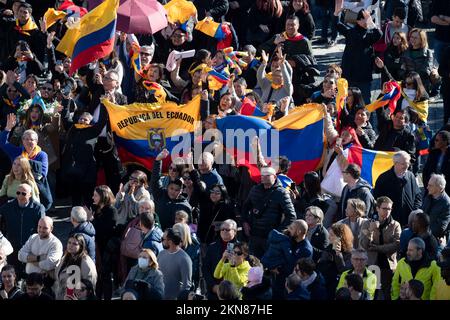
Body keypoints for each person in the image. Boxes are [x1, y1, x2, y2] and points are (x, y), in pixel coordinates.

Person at [242, 165, 297, 258]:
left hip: (270, 237)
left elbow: (291, 216)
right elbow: (245, 207)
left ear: (274, 177)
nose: (264, 177)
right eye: (262, 175)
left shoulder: (282, 192)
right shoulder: (255, 189)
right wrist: (244, 222)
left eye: (267, 175)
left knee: (267, 267)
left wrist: (277, 232)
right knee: (252, 264)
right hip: (254, 234)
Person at [336, 9, 382, 103]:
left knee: (365, 103)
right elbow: (338, 25)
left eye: (368, 19)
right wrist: (336, 13)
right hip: (349, 74)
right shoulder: (351, 32)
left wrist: (371, 24)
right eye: (364, 19)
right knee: (346, 102)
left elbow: (379, 34)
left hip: (364, 76)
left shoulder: (370, 34)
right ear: (357, 21)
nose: (366, 21)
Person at [359, 196, 401, 300]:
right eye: (384, 208)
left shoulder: (395, 225)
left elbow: (396, 245)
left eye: (389, 209)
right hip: (372, 265)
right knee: (370, 294)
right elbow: (365, 245)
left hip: (388, 265)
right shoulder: (367, 223)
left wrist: (378, 248)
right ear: (377, 208)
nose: (387, 211)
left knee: (388, 294)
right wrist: (371, 231)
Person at [0, 183, 45, 273]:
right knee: (12, 274)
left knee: (29, 274)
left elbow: (42, 228)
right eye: (18, 193)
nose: (20, 196)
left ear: (30, 195)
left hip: (29, 247)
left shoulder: (38, 209)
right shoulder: (7, 207)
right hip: (12, 245)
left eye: (23, 193)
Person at [373, 151, 422, 227]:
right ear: (395, 163)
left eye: (408, 163)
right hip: (390, 222)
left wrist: (414, 211)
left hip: (408, 222)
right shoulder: (383, 178)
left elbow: (418, 195)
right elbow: (376, 199)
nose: (406, 166)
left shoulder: (411, 176)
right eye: (403, 164)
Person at [150, 149, 192, 230]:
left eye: (176, 190)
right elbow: (155, 181)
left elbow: (189, 227)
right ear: (167, 188)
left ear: (181, 191)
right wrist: (158, 160)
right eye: (170, 168)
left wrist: (190, 164)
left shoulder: (185, 205)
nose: (173, 191)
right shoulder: (161, 194)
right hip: (159, 233)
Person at [89, 185, 117, 300]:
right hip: (98, 246)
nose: (93, 197)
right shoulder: (96, 209)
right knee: (98, 276)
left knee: (105, 276)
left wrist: (91, 220)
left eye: (95, 195)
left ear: (103, 196)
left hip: (106, 249)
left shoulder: (111, 211)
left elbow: (105, 230)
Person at [202, 219, 239, 300]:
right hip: (215, 291)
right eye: (222, 229)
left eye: (227, 229)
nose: (224, 231)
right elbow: (205, 268)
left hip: (233, 292)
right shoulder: (212, 247)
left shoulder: (241, 248)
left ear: (235, 231)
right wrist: (213, 286)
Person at [54, 234, 97, 300]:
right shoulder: (65, 258)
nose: (70, 245)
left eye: (75, 244)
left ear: (81, 246)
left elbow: (90, 285)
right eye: (69, 242)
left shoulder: (86, 263)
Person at [317, 223, 353, 299]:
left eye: (332, 235)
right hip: (325, 284)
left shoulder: (350, 253)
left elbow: (344, 271)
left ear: (340, 238)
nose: (329, 237)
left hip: (339, 287)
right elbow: (321, 266)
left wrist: (338, 253)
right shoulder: (329, 249)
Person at [157, 228, 192, 300]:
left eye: (163, 239)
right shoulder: (161, 254)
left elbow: (186, 285)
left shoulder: (184, 259)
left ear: (170, 242)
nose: (161, 241)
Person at [422, 174, 450, 240]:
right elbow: (422, 211)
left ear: (439, 188)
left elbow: (441, 227)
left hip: (434, 238)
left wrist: (423, 232)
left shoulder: (447, 203)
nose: (427, 187)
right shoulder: (429, 196)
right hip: (422, 231)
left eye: (430, 185)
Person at [422, 130, 450, 195]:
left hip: (446, 192)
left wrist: (442, 189)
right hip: (432, 190)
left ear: (445, 142)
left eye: (437, 140)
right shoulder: (433, 153)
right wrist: (429, 187)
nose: (434, 142)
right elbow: (426, 172)